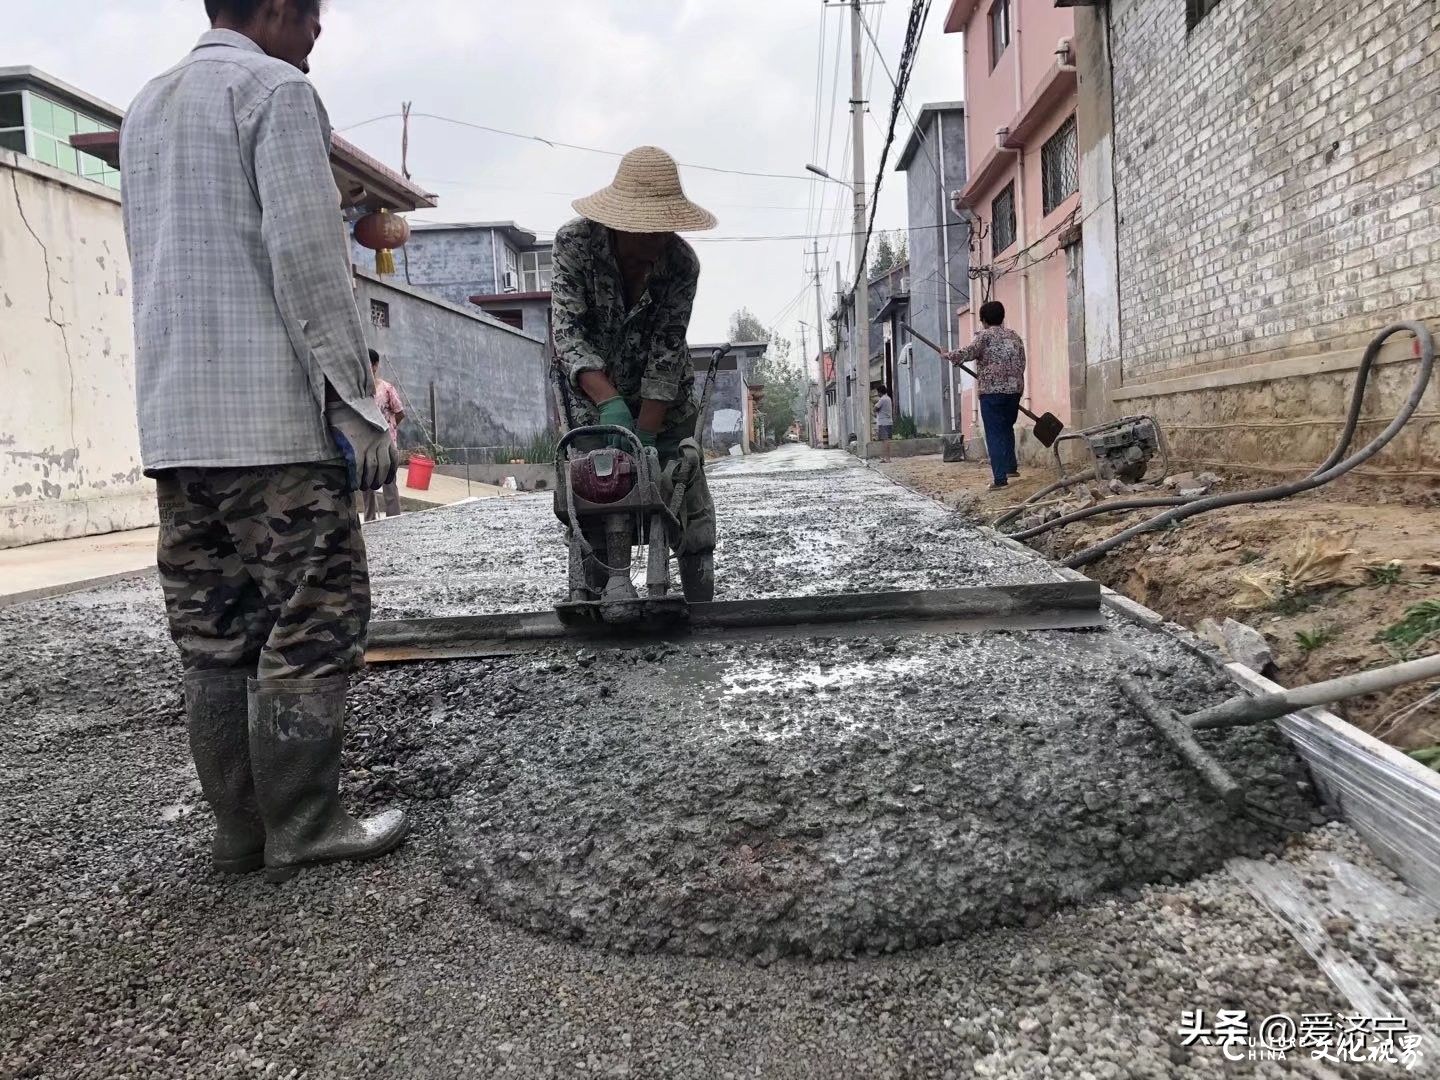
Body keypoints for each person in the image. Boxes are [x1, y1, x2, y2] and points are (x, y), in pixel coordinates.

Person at [120, 0, 407, 883]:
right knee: (317, 612)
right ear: (279, 8)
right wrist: (357, 403)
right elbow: (309, 260)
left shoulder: (146, 107)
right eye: (316, 13)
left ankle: (241, 834)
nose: (320, 30)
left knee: (214, 635)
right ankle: (306, 823)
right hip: (268, 429)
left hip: (177, 425)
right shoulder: (276, 93)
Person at [550, 146, 718, 608]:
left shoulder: (681, 264)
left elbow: (667, 347)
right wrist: (609, 403)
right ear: (617, 222)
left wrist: (646, 429)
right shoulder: (574, 246)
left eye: (663, 231)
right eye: (644, 233)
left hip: (664, 401)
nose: (655, 244)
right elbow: (568, 332)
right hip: (592, 398)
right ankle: (598, 588)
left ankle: (701, 600)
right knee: (597, 491)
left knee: (681, 483)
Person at [945, 301, 1026, 490]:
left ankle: (1000, 479)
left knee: (994, 433)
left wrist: (948, 355)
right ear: (1002, 317)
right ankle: (1010, 467)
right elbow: (1022, 363)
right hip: (1014, 390)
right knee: (1006, 427)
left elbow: (968, 353)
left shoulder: (985, 336)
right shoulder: (1015, 337)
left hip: (992, 392)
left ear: (984, 320)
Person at [364, 349, 406, 521]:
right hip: (366, 443)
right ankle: (369, 519)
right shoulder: (360, 390)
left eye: (368, 363)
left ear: (375, 365)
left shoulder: (386, 388)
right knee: (366, 483)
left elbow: (400, 412)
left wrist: (390, 429)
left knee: (389, 482)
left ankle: (394, 518)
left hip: (387, 442)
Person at [874, 384, 894, 463]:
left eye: (878, 392)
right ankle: (884, 458)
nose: (877, 394)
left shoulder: (882, 399)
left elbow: (875, 408)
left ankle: (887, 458)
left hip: (883, 422)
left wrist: (877, 411)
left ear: (880, 392)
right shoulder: (888, 398)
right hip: (889, 422)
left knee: (885, 441)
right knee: (885, 440)